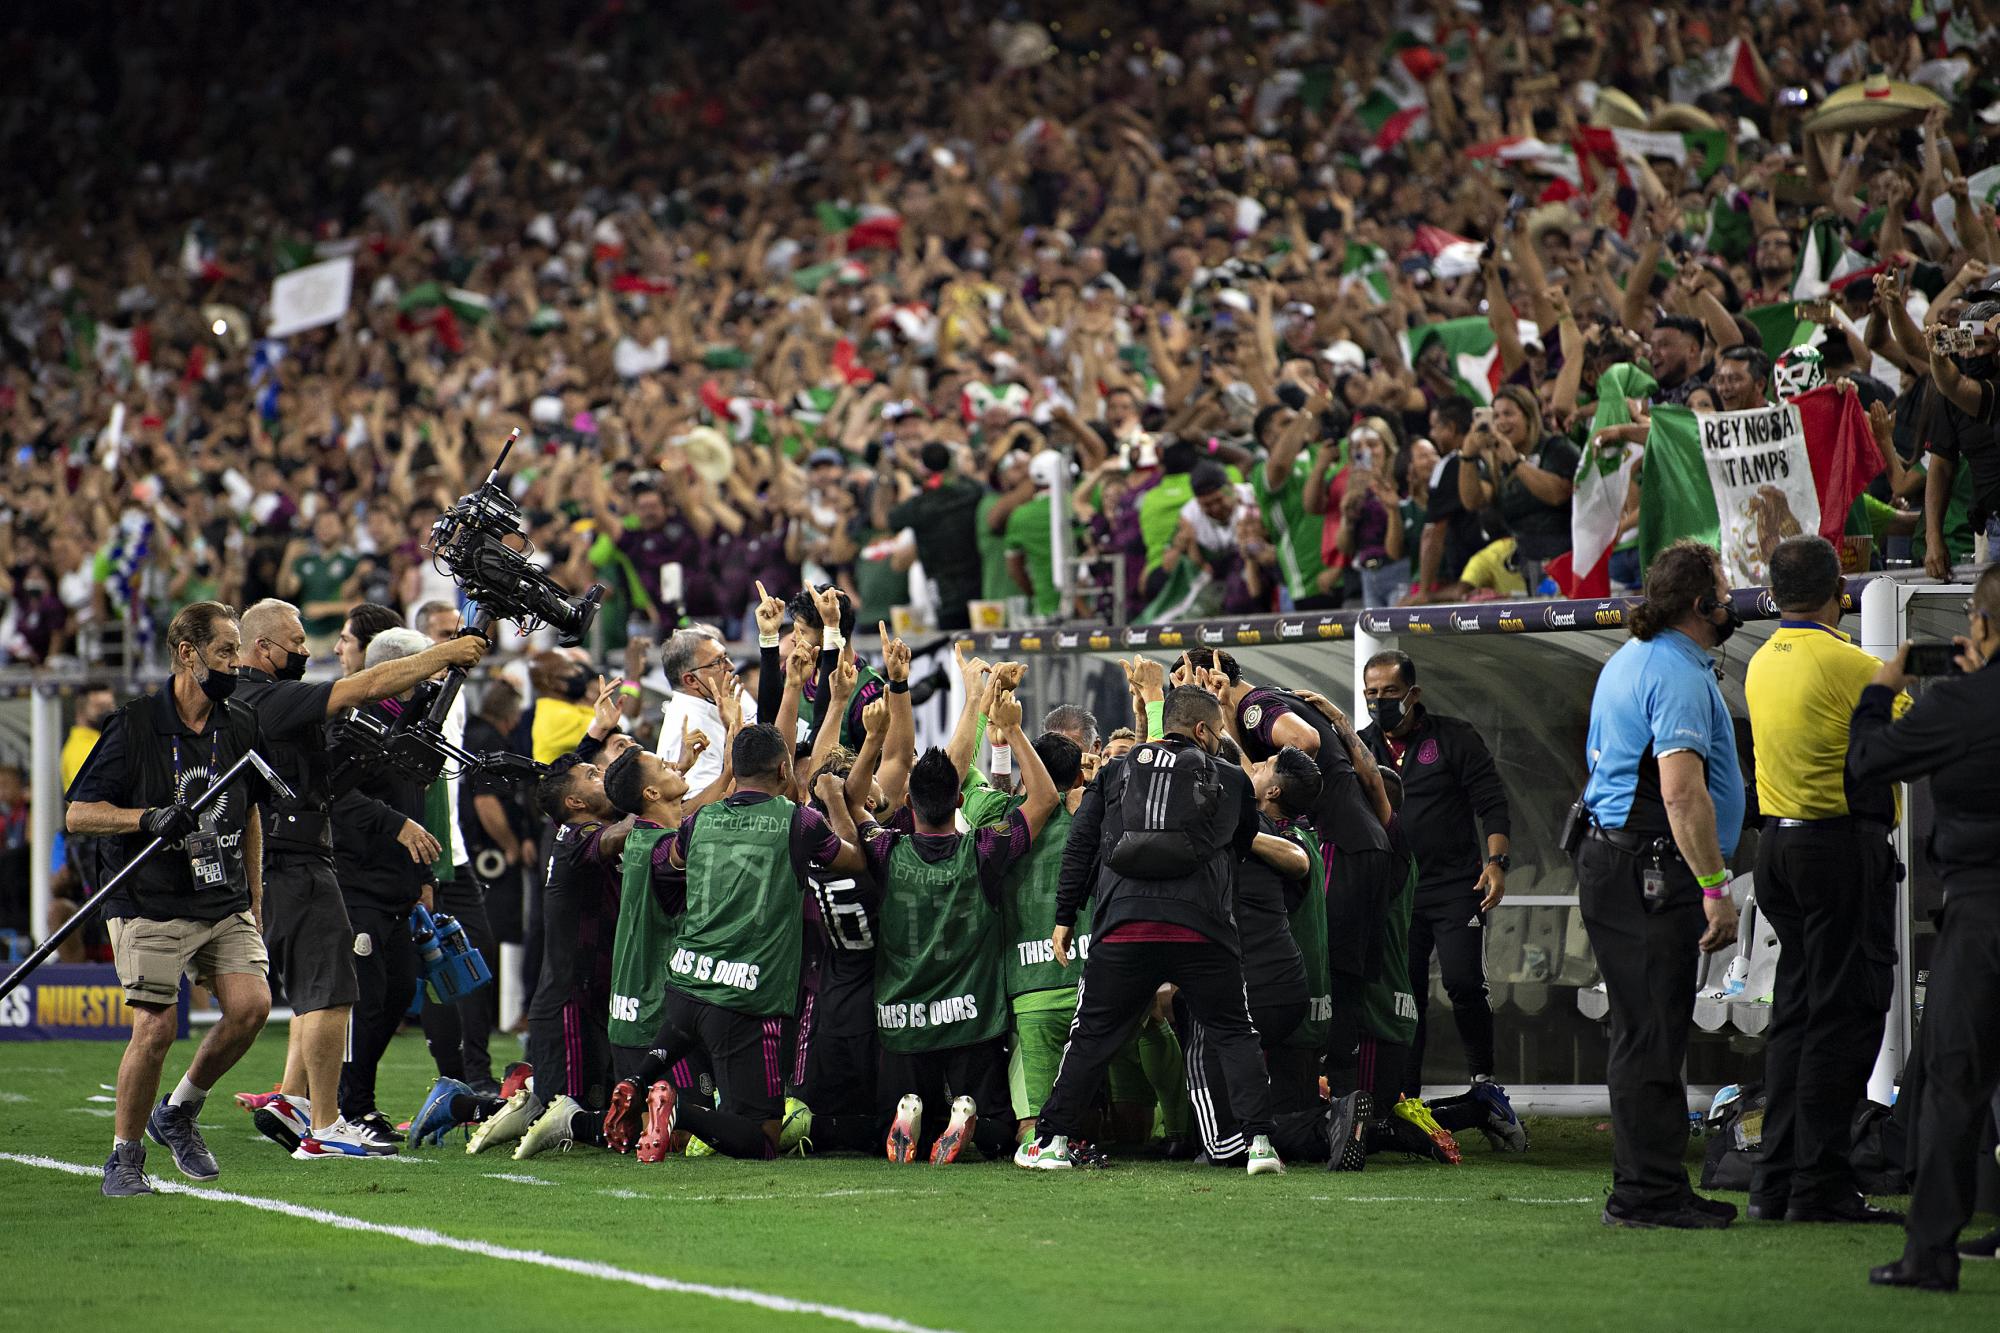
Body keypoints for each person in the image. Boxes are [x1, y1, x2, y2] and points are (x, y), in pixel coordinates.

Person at [232, 597, 485, 1159]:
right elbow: (360, 697)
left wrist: (422, 873)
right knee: (330, 994)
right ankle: (328, 1118)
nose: (310, 652)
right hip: (319, 866)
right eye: (297, 644)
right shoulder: (275, 701)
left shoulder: (269, 700)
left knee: (341, 992)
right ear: (262, 647)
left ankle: (291, 1105)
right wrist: (445, 652)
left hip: (317, 865)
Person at [1017, 684, 1283, 1176]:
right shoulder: (1228, 777)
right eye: (1219, 730)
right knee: (1234, 1032)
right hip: (1203, 929)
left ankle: (1052, 1143)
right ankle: (1260, 1144)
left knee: (1092, 1037)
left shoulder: (1117, 769)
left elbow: (1082, 845)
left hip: (1124, 927)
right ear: (1203, 730)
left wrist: (1063, 916)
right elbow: (1243, 842)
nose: (1221, 738)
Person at [65, 602, 272, 1196]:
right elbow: (80, 814)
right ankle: (123, 1158)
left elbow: (249, 810)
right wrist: (147, 818)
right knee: (155, 1030)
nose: (236, 662)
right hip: (147, 897)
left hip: (221, 895)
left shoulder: (240, 723)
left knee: (252, 1006)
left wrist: (255, 893)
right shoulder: (133, 724)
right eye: (227, 651)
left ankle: (178, 1110)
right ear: (188, 653)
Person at [1573, 541, 1744, 1229]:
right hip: (1647, 868)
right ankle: (1644, 1194)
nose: (1732, 600)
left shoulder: (1633, 658)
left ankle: (1656, 1183)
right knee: (1650, 1030)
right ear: (1700, 603)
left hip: (1622, 861)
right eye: (1725, 589)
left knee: (1651, 1026)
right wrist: (1713, 883)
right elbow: (1680, 794)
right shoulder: (1673, 671)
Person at [603, 723, 866, 1161]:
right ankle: (677, 1113)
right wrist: (837, 803)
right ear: (785, 769)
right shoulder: (797, 821)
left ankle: (638, 1081)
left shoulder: (700, 820)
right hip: (744, 997)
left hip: (685, 985)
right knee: (763, 1136)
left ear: (735, 771)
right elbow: (854, 859)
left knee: (682, 1031)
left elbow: (673, 859)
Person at [1742, 535, 1904, 1226]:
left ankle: (1772, 1181)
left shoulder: (1758, 658)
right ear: (1841, 590)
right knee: (1845, 1013)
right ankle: (1821, 1184)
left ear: (1774, 593)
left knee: (1797, 1015)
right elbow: (1905, 741)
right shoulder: (1851, 663)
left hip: (1777, 849)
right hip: (1837, 848)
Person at [1849, 563, 2000, 1291]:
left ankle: (1931, 1251)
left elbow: (1869, 762)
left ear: (1981, 626)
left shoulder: (1962, 704)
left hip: (1981, 911)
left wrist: (1881, 693)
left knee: (1951, 1079)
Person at [831, 689, 1054, 1163]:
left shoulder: (887, 849)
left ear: (909, 801)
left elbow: (853, 803)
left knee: (890, 1129)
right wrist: (1012, 731)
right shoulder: (984, 850)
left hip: (901, 1020)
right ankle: (965, 1115)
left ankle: (914, 1113)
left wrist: (872, 741)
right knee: (998, 1133)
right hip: (971, 1019)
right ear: (959, 797)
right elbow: (1045, 798)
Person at [469, 681, 636, 1160]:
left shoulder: (580, 816)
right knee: (575, 1111)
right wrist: (661, 798)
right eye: (594, 772)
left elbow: (563, 778)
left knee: (589, 1104)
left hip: (592, 988)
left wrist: (597, 731)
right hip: (567, 1001)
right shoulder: (580, 837)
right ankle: (463, 1105)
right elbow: (622, 813)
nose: (603, 774)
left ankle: (513, 1099)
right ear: (578, 802)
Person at [1357, 650, 1512, 1096]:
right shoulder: (1362, 748)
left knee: (1465, 982)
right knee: (1406, 996)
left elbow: (1492, 802)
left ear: (1414, 693)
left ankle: (1484, 1082)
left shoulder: (1454, 738)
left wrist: (1497, 863)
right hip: (1395, 893)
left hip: (1456, 888)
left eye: (1390, 692)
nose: (1380, 701)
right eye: (1372, 693)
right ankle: (1405, 1097)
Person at [328, 628, 436, 1152]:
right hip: (357, 883)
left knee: (396, 994)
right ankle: (348, 1108)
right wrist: (395, 825)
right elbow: (333, 797)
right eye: (424, 665)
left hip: (395, 886)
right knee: (365, 1002)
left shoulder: (409, 724)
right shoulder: (358, 725)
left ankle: (359, 1101)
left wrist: (423, 879)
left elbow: (417, 808)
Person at [883, 441, 984, 630]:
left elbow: (888, 519)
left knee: (952, 645)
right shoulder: (970, 492)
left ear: (924, 468)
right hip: (977, 586)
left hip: (942, 590)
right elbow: (974, 484)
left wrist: (907, 475)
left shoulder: (919, 506)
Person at [657, 625, 750, 792]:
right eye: (717, 662)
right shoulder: (692, 723)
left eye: (726, 657)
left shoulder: (704, 708)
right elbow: (699, 805)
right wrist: (734, 731)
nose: (730, 666)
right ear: (691, 680)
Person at [61, 686, 117, 791]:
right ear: (81, 711)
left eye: (110, 706)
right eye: (100, 707)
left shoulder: (101, 743)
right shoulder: (81, 750)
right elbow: (87, 804)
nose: (108, 712)